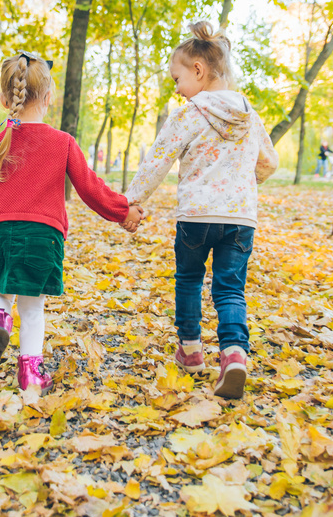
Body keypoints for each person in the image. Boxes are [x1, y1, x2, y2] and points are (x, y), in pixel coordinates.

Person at [0, 51, 143, 395]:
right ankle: (31, 376)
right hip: (42, 235)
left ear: (5, 99)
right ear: (49, 97)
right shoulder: (63, 143)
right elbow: (91, 188)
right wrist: (123, 211)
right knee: (33, 308)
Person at [122, 22, 278, 400]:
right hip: (240, 219)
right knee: (230, 289)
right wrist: (244, 183)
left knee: (189, 279)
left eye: (177, 78)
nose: (176, 88)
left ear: (198, 70)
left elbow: (158, 160)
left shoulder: (189, 113)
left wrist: (132, 201)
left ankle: (191, 351)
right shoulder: (248, 114)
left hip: (196, 216)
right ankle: (234, 354)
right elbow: (270, 162)